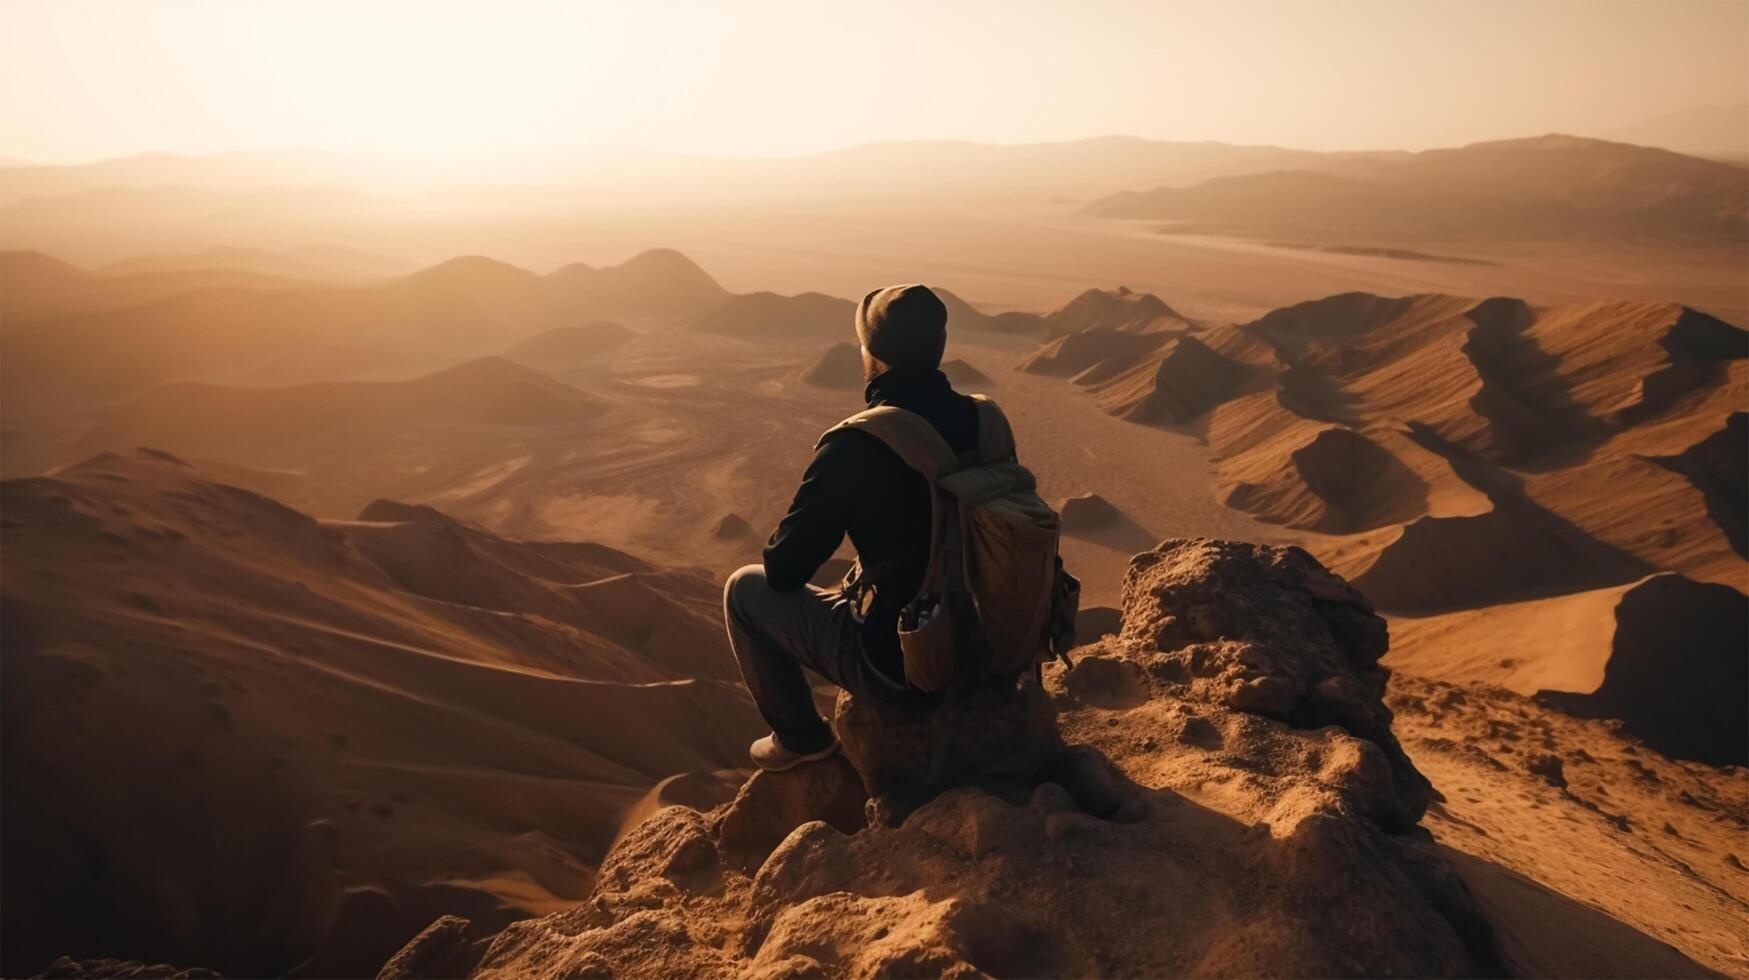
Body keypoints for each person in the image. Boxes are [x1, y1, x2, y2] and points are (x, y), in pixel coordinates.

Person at [723, 283, 984, 771]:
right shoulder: (985, 421)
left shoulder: (859, 444)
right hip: (991, 648)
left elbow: (785, 570)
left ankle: (800, 739)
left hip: (905, 667)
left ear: (874, 357)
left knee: (743, 591)